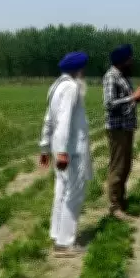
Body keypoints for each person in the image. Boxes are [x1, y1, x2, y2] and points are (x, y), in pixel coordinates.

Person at [39, 51, 93, 257]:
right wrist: (62, 152)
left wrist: (45, 147)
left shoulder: (55, 87)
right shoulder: (71, 87)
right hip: (71, 150)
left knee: (61, 191)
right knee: (74, 193)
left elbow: (48, 120)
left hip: (60, 148)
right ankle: (65, 243)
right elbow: (62, 121)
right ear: (79, 71)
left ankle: (56, 233)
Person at [103, 44, 140, 221]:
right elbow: (109, 104)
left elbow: (126, 103)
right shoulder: (111, 77)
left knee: (126, 166)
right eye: (129, 59)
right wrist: (133, 97)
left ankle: (121, 199)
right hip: (117, 129)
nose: (132, 62)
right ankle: (114, 206)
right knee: (117, 167)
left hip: (127, 127)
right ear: (122, 61)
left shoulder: (124, 77)